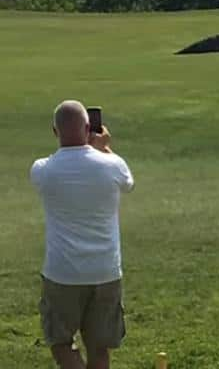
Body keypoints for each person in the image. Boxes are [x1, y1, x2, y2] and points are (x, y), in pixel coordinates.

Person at [29, 100, 134, 369]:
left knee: (61, 342)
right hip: (106, 270)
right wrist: (104, 147)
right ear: (89, 127)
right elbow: (127, 183)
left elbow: (52, 166)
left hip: (62, 272)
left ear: (55, 131)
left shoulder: (43, 170)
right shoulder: (113, 165)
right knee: (99, 348)